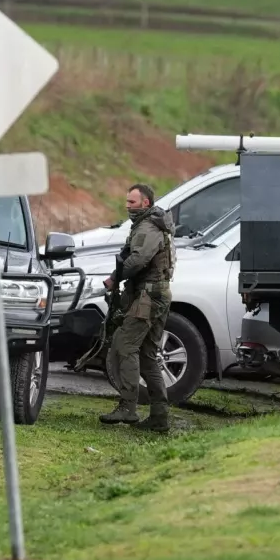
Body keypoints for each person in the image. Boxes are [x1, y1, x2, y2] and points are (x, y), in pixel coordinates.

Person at [99, 183, 176, 431]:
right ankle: (159, 417)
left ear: (145, 203)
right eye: (126, 202)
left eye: (132, 202)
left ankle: (128, 408)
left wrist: (115, 278)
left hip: (148, 295)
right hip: (155, 293)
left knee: (125, 345)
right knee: (147, 355)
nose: (127, 206)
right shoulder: (152, 224)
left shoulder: (148, 226)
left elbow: (137, 260)